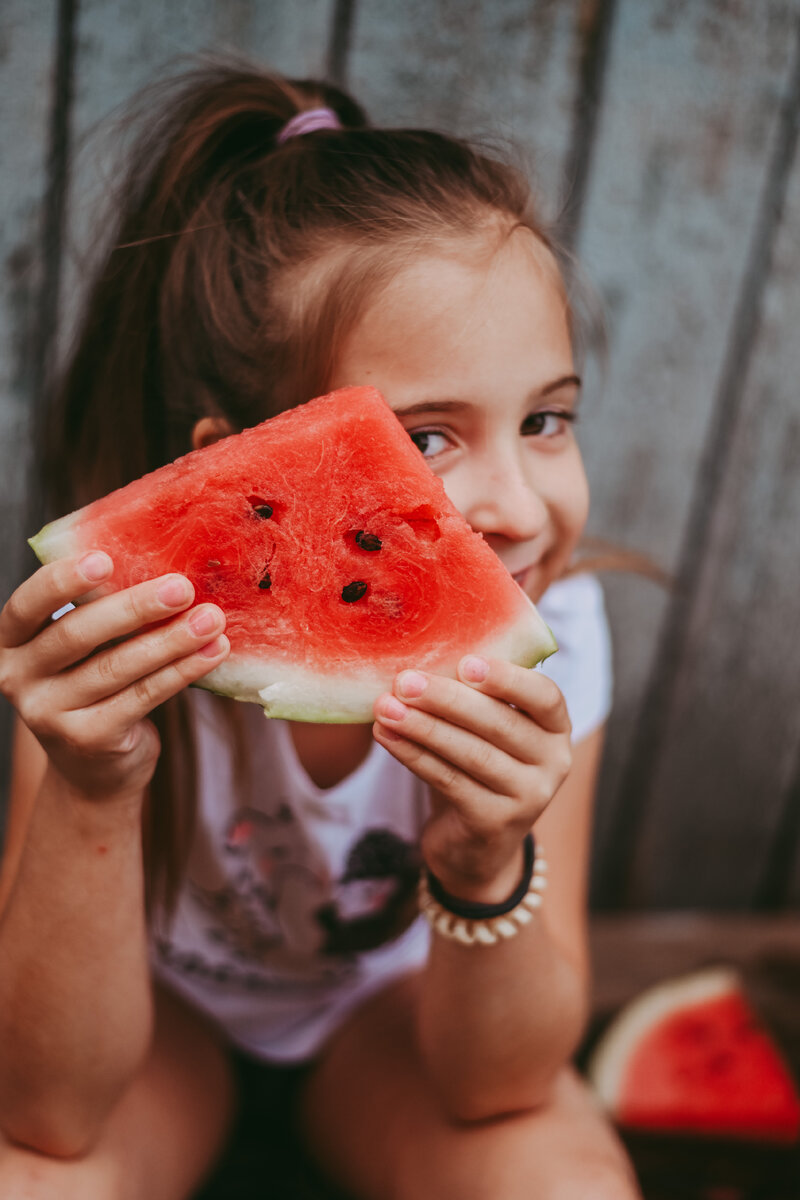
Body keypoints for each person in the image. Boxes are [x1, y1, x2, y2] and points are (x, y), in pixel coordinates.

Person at [0, 64, 641, 1199]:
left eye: (546, 419)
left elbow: (501, 1085)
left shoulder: (560, 635)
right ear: (239, 469)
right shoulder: (111, 641)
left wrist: (484, 861)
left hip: (394, 1022)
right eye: (426, 440)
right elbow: (45, 1108)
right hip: (159, 1020)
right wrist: (91, 788)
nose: (520, 506)